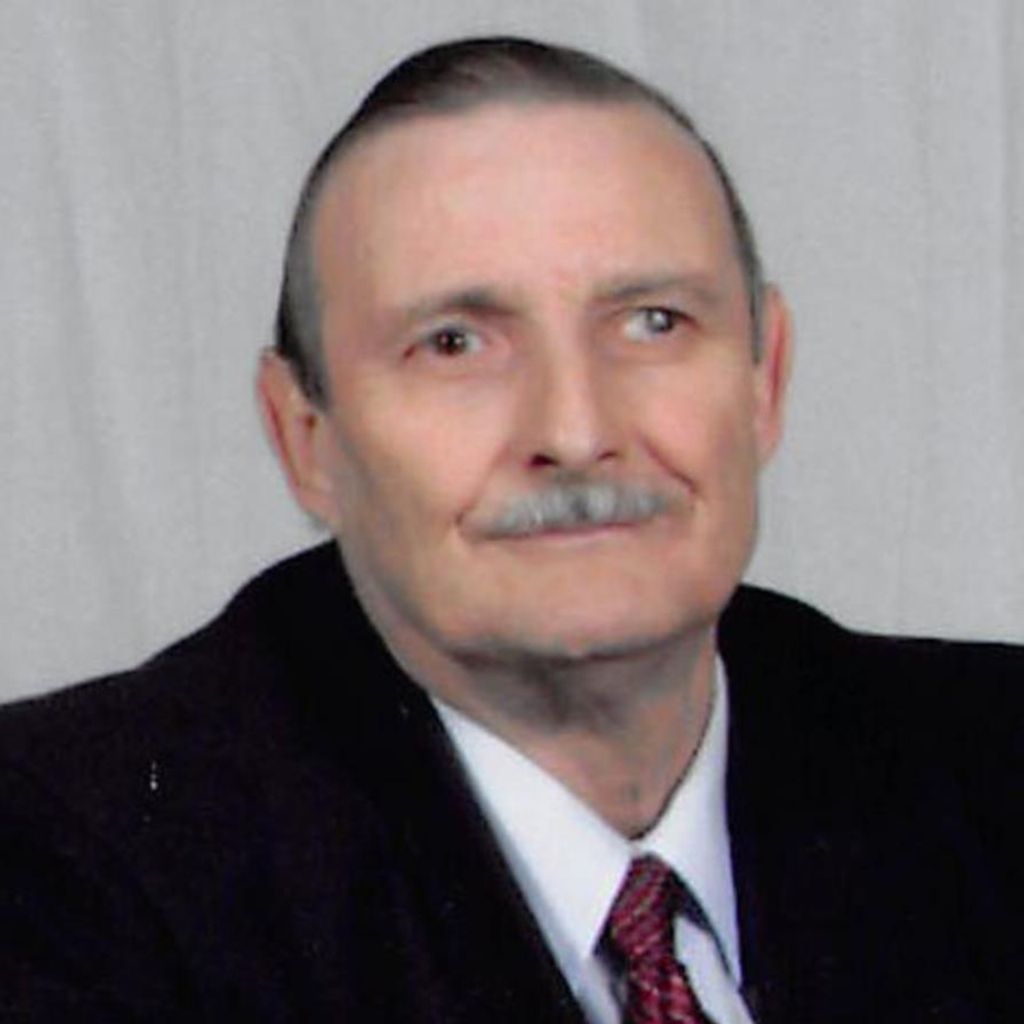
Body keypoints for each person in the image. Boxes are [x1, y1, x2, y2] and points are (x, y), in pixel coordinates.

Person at [0, 36, 1018, 1024]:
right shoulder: (61, 862)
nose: (574, 432)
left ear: (766, 380)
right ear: (305, 438)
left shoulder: (994, 766)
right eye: (453, 344)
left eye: (654, 321)